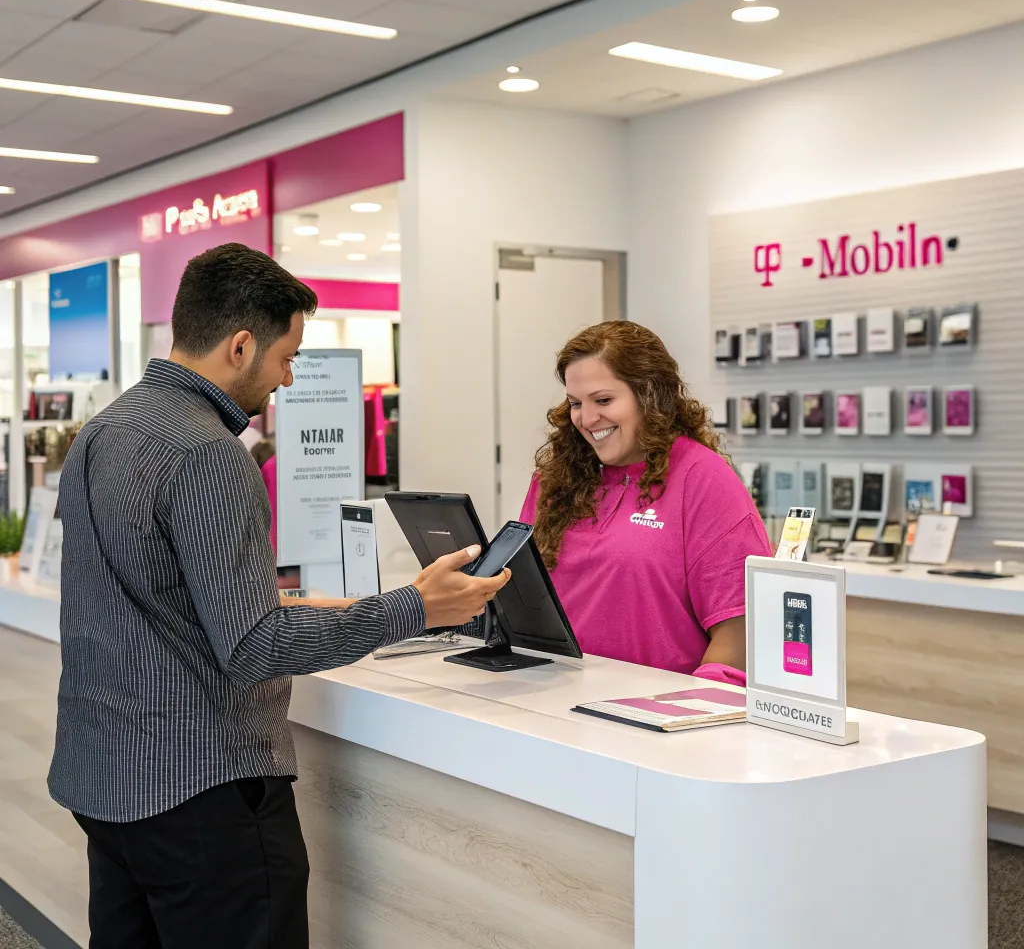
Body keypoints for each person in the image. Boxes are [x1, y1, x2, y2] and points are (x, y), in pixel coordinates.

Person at [48, 243, 510, 949]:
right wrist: (414, 608)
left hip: (107, 781)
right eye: (285, 357)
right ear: (239, 345)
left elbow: (151, 602)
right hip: (199, 794)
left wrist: (310, 608)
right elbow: (251, 647)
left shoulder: (103, 431)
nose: (289, 379)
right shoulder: (206, 452)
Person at [521, 321, 770, 686]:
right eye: (576, 403)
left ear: (649, 395)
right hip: (549, 701)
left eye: (603, 400)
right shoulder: (555, 480)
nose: (587, 419)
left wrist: (693, 710)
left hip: (654, 716)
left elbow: (739, 629)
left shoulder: (702, 479)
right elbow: (526, 595)